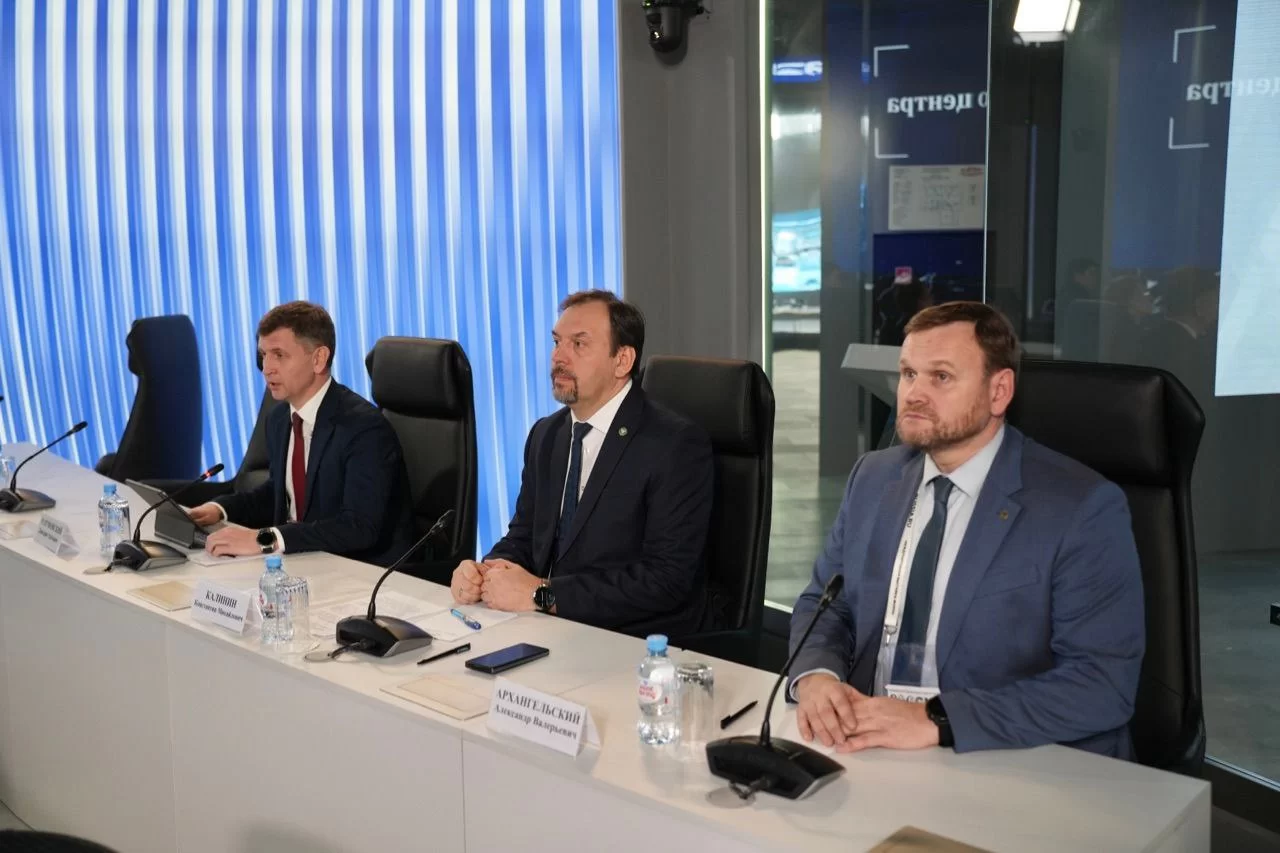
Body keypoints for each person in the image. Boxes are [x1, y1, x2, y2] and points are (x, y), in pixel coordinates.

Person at [788, 301, 1144, 758]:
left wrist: (937, 720)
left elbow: (1102, 683)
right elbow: (825, 604)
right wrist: (817, 676)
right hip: (870, 743)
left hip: (1001, 757)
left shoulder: (1082, 508)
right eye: (908, 374)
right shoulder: (873, 477)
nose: (914, 394)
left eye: (941, 376)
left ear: (999, 391)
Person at [450, 290, 717, 638]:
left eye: (578, 344)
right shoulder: (547, 434)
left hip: (630, 641)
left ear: (622, 360)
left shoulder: (674, 445)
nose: (558, 357)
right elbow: (525, 536)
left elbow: (665, 580)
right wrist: (483, 573)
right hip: (552, 629)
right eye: (557, 342)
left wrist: (543, 595)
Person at [188, 302, 414, 566]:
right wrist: (220, 509)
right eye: (263, 354)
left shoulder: (364, 428)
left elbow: (358, 527)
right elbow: (280, 493)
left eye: (279, 355)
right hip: (301, 562)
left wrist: (265, 539)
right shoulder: (279, 419)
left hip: (358, 570)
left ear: (318, 359)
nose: (267, 368)